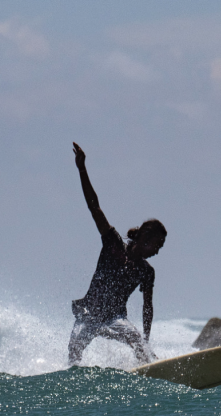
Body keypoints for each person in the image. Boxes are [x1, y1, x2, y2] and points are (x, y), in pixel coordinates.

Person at [68, 142, 167, 366]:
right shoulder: (113, 242)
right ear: (145, 238)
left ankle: (148, 369)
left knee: (138, 342)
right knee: (74, 347)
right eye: (156, 246)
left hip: (115, 319)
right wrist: (82, 170)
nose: (157, 252)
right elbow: (94, 207)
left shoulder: (146, 271)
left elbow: (147, 307)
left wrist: (147, 339)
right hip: (89, 313)